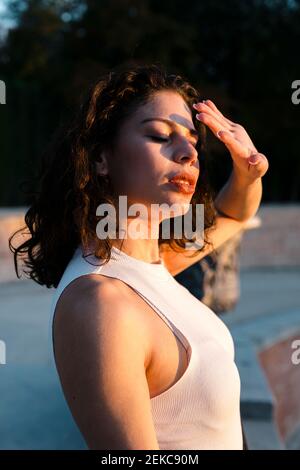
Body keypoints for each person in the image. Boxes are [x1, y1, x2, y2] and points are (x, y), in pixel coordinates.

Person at [9, 62, 269, 450]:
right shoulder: (100, 304)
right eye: (160, 136)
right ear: (101, 159)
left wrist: (248, 170)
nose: (187, 153)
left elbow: (236, 213)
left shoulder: (157, 263)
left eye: (193, 140)